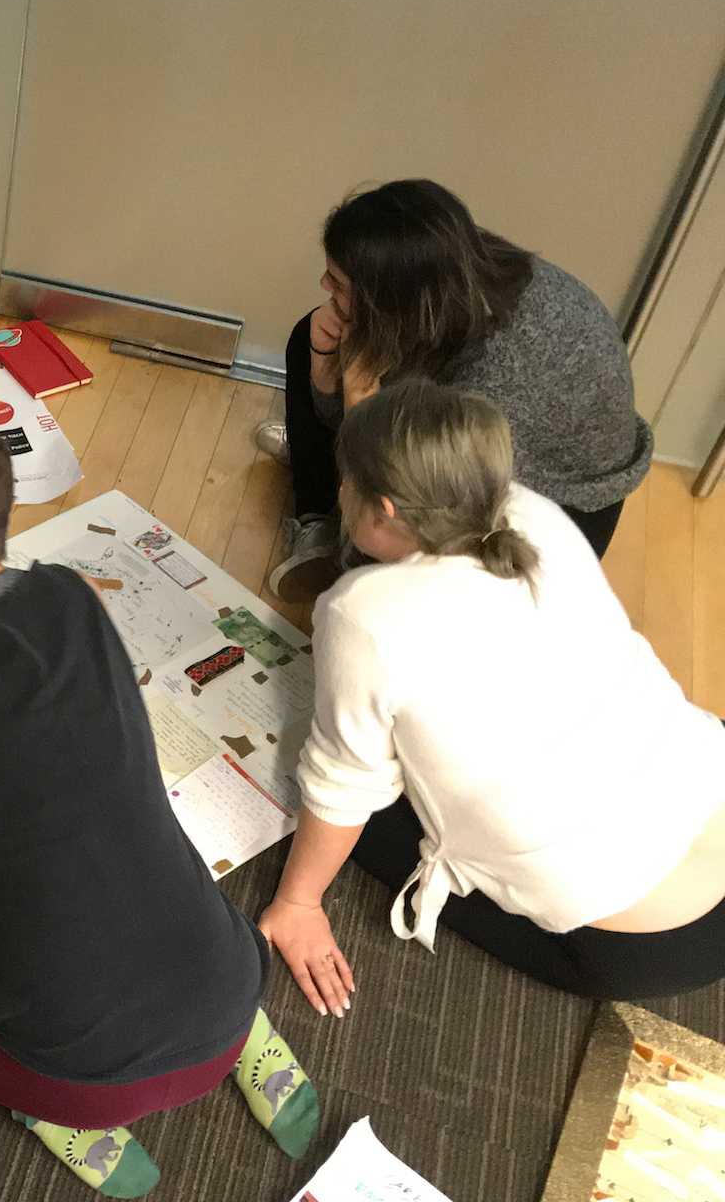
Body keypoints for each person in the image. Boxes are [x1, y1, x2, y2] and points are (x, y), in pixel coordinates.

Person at [0, 409, 319, 1197]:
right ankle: (257, 1049)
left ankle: (50, 1117)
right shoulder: (72, 591)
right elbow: (0, 633)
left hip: (70, 1078)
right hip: (232, 1000)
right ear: (9, 513)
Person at [260, 380, 725, 1011]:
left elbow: (342, 787)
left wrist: (297, 903)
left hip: (652, 944)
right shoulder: (531, 510)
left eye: (346, 482)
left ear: (385, 509)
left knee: (335, 803)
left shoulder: (363, 614)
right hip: (710, 788)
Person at [261, 179, 651, 600]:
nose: (324, 284)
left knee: (383, 542)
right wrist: (325, 374)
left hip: (552, 504)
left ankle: (346, 545)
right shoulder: (448, 269)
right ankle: (320, 516)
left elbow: (414, 491)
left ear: (390, 300)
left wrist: (358, 411)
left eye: (338, 282)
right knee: (316, 336)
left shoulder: (492, 382)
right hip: (496, 437)